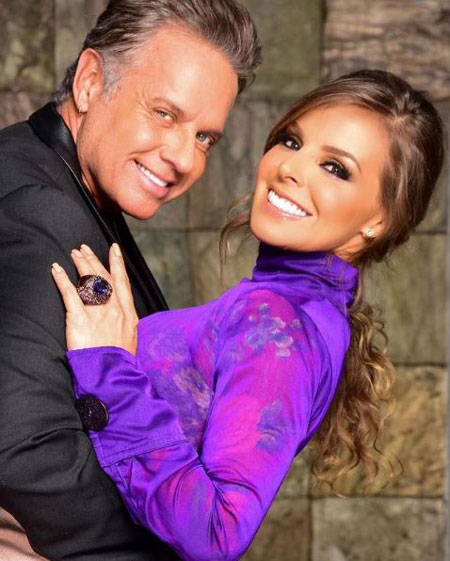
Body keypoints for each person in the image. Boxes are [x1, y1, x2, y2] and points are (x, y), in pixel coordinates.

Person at [51, 69, 445, 560]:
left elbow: (218, 532)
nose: (290, 168)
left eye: (335, 168)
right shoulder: (300, 312)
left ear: (378, 220)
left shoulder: (278, 321)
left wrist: (106, 365)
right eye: (291, 141)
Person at [0, 1, 261, 559]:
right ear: (91, 82)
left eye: (205, 137)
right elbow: (25, 451)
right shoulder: (38, 209)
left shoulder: (65, 181)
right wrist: (169, 545)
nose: (184, 157)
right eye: (165, 113)